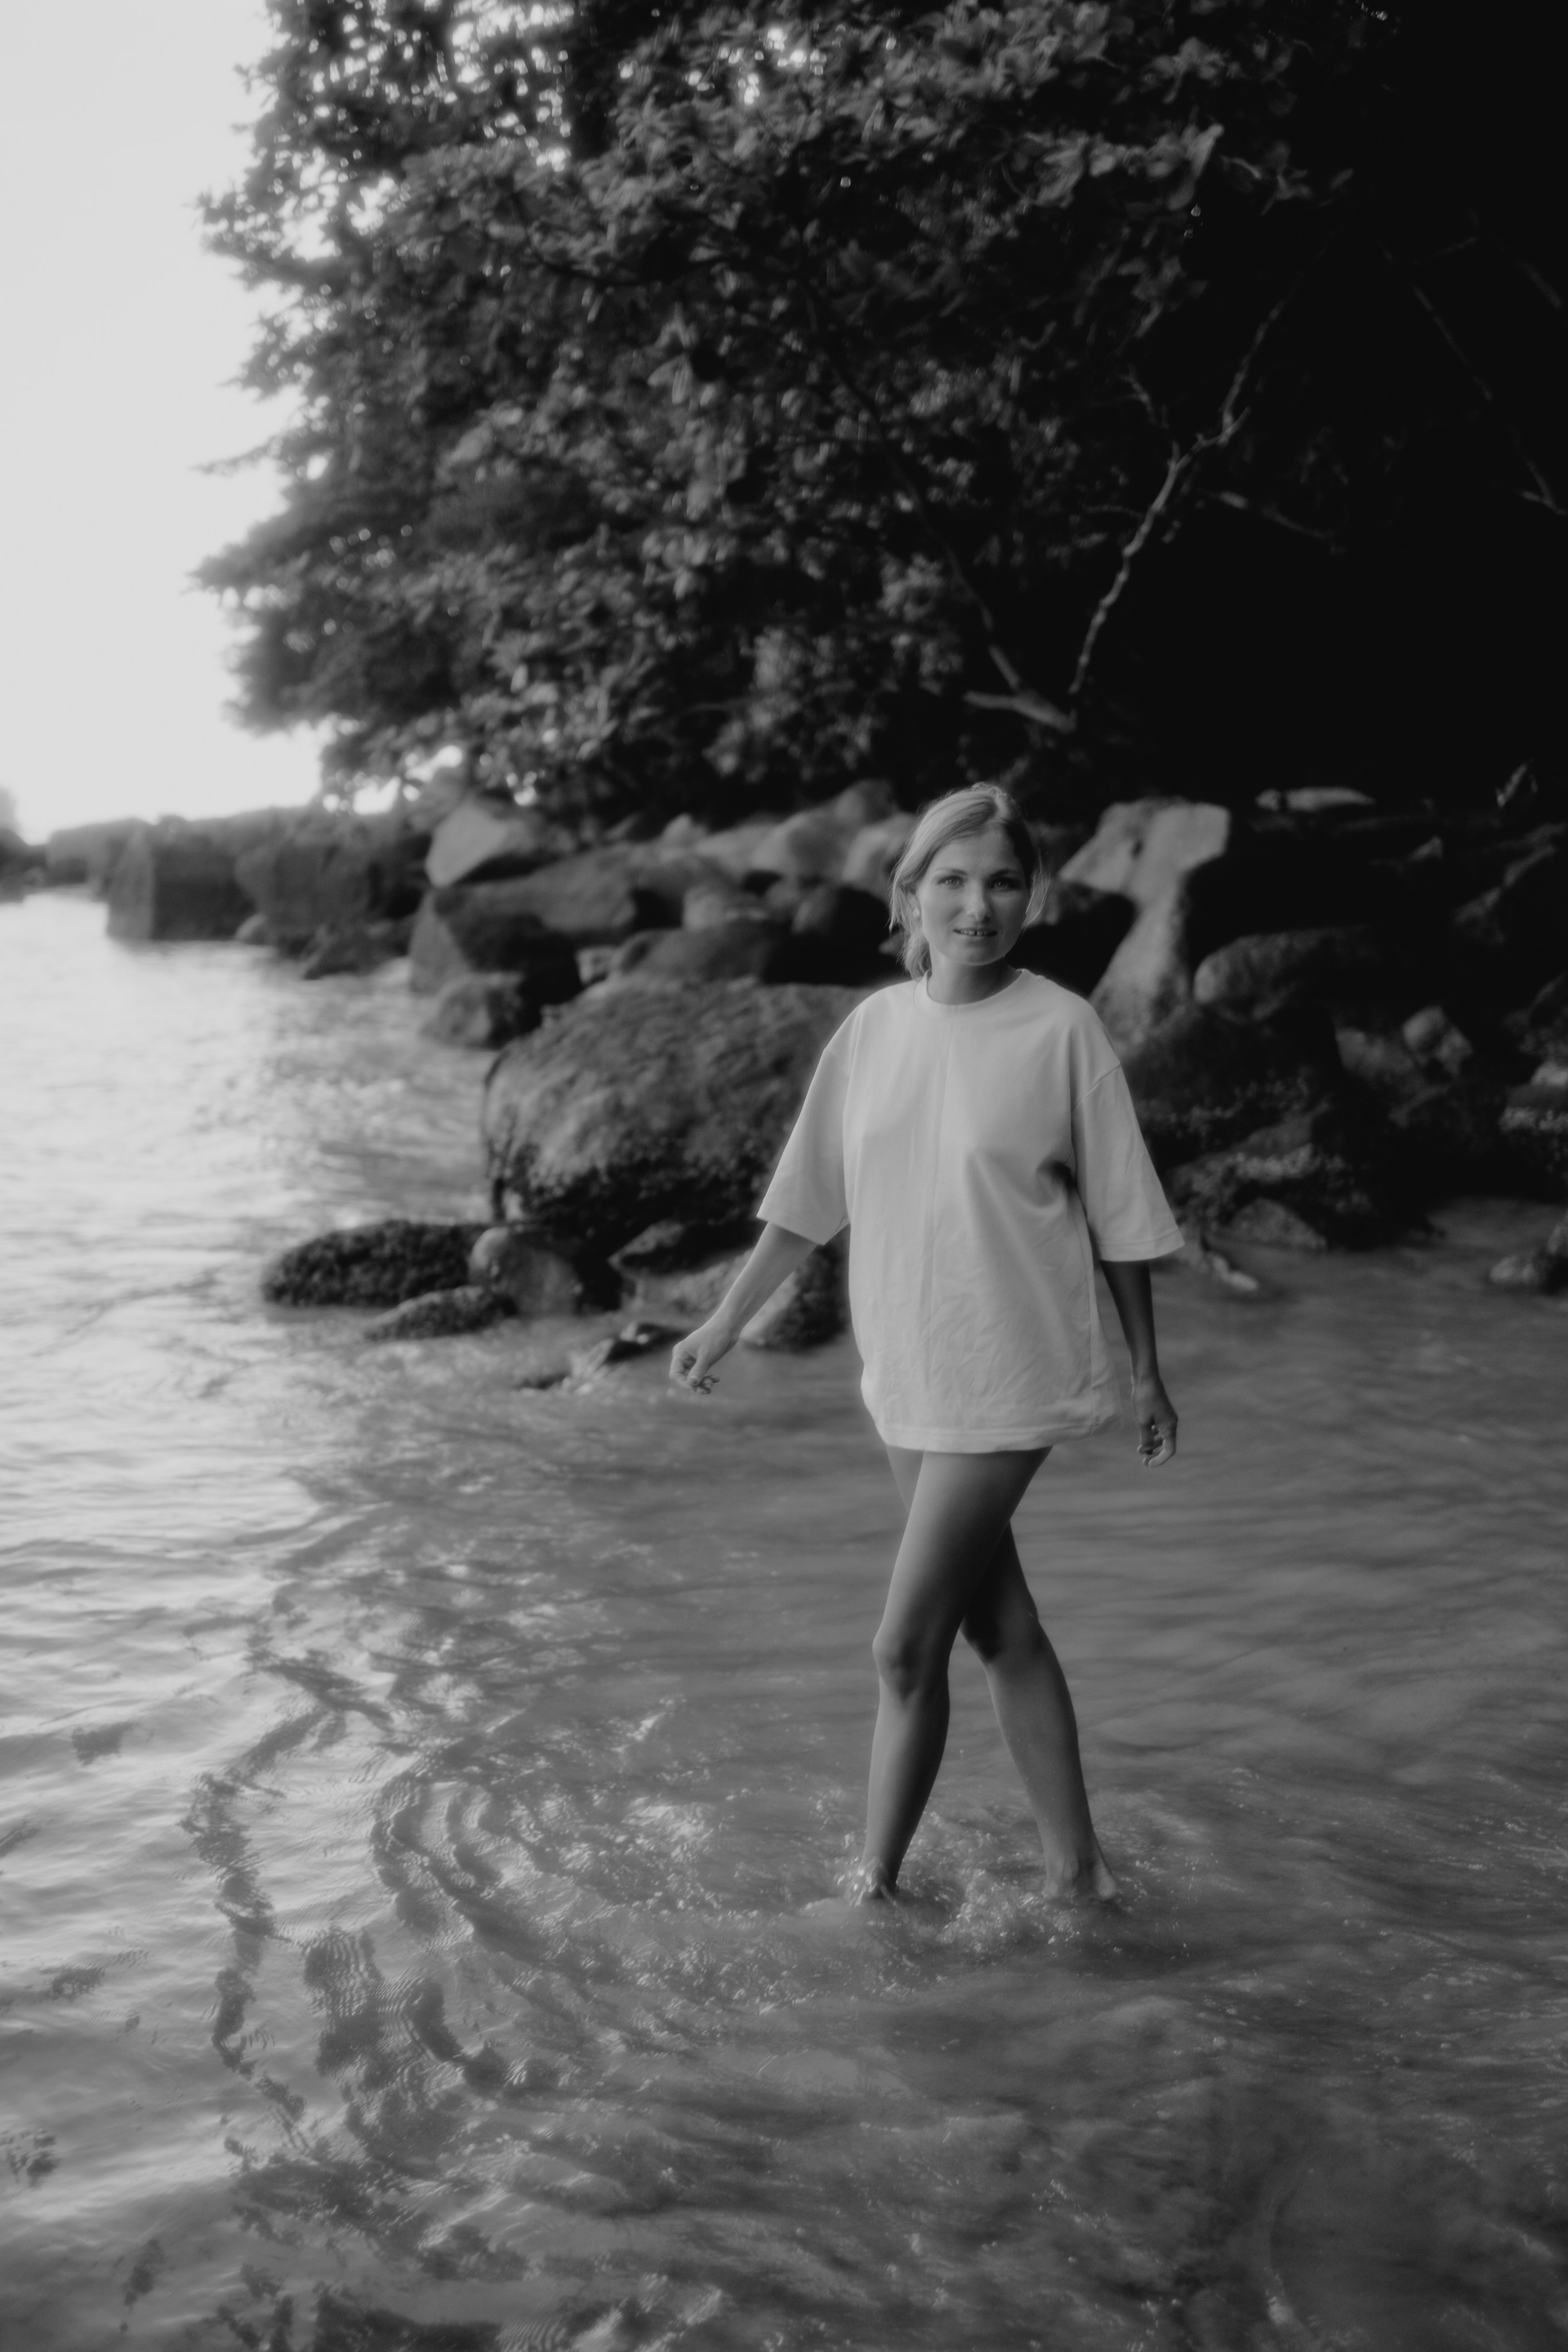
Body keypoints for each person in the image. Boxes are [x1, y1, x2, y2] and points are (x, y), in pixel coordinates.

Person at [669, 784, 1183, 1903]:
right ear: (909, 895)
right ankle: (1079, 1876)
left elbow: (1124, 1215)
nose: (976, 905)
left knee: (903, 1645)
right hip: (906, 1363)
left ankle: (873, 1893)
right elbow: (806, 1200)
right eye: (951, 881)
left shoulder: (1063, 1029)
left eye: (1001, 881)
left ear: (1032, 896)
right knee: (999, 1626)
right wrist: (725, 1319)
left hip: (1014, 1362)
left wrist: (1148, 1371)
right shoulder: (873, 1032)